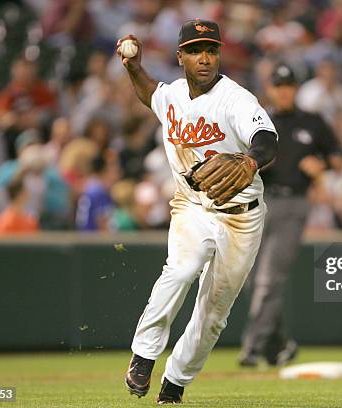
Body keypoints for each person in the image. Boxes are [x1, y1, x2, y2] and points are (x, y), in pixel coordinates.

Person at [118, 19, 278, 404]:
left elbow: (266, 139)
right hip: (191, 204)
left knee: (214, 313)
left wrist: (252, 162)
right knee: (182, 269)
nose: (204, 58)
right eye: (194, 51)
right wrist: (133, 68)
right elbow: (150, 95)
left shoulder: (235, 99)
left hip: (241, 215)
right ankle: (144, 355)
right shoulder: (172, 95)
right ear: (180, 57)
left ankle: (174, 382)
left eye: (211, 50)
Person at [239, 64, 342, 367]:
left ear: (296, 88)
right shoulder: (260, 122)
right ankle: (280, 344)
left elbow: (338, 159)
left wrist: (322, 165)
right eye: (279, 85)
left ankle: (253, 347)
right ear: (271, 89)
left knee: (269, 280)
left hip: (294, 204)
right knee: (249, 278)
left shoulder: (312, 122)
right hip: (259, 201)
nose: (284, 90)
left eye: (289, 85)